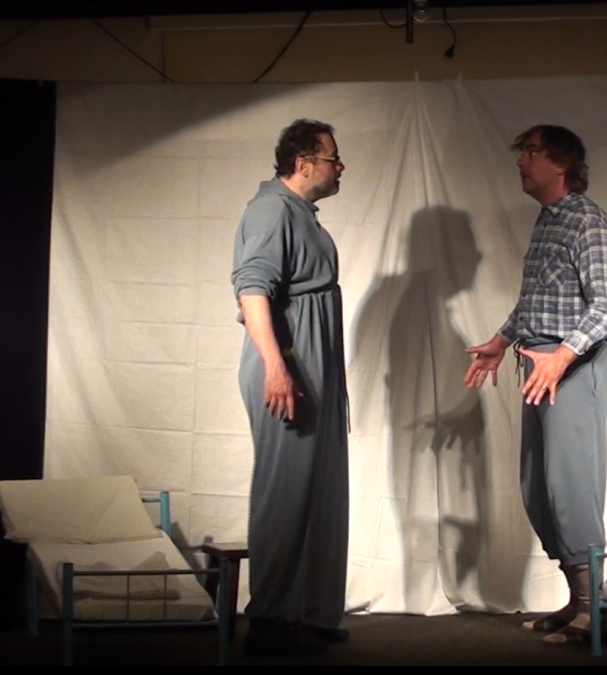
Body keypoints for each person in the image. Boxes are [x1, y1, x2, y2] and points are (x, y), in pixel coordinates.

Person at [465, 124, 607, 646]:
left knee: (570, 486)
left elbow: (605, 309)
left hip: (573, 365)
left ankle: (593, 611)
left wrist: (561, 359)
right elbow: (537, 299)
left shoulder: (588, 223)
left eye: (531, 152)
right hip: (541, 364)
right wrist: (501, 340)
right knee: (537, 487)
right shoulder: (548, 220)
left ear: (560, 163)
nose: (521, 162)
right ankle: (580, 601)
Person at [231, 119, 351, 656]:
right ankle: (271, 619)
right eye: (332, 158)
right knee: (284, 492)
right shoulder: (270, 210)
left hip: (314, 363)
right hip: (290, 362)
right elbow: (252, 289)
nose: (340, 167)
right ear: (303, 164)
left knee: (321, 492)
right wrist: (276, 367)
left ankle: (312, 612)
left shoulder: (301, 213)